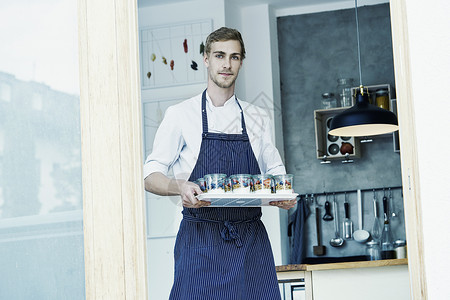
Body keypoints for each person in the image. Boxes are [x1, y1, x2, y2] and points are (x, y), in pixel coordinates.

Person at [144, 27, 296, 300]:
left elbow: (275, 172)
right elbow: (151, 176)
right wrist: (180, 187)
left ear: (241, 62)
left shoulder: (257, 116)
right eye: (219, 55)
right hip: (200, 239)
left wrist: (282, 194)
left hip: (250, 241)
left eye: (235, 57)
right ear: (206, 59)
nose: (227, 64)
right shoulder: (180, 115)